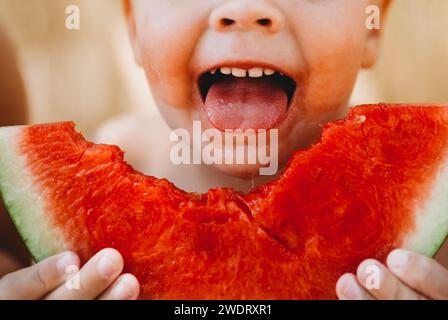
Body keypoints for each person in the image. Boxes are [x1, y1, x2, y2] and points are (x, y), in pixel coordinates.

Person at [1, 0, 447, 300]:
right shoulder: (115, 155)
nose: (244, 10)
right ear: (134, 26)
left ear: (374, 26)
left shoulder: (431, 237)